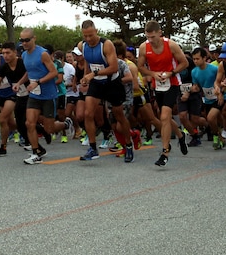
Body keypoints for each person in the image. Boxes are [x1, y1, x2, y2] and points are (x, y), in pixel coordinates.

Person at [78, 20, 134, 163]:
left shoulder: (106, 45)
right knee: (88, 114)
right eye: (85, 36)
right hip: (96, 83)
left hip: (111, 82)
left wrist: (93, 74)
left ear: (96, 31)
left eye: (91, 35)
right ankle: (92, 148)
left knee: (119, 115)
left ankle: (128, 144)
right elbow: (87, 62)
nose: (88, 39)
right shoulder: (82, 46)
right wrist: (86, 76)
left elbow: (114, 67)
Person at [135, 20, 189, 167]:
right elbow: (140, 67)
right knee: (164, 117)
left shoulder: (171, 45)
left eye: (153, 37)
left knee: (165, 116)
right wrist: (153, 73)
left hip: (172, 83)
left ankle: (165, 152)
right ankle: (180, 135)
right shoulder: (144, 47)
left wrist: (171, 73)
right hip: (157, 84)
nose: (150, 40)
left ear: (160, 33)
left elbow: (185, 63)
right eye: (148, 37)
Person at [18, 28, 72, 164]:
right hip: (34, 96)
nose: (24, 43)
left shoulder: (43, 54)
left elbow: (53, 72)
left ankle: (66, 124)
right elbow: (29, 72)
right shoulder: (24, 55)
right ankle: (37, 152)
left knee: (49, 128)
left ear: (34, 39)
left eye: (27, 40)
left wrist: (38, 82)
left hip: (48, 95)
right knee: (29, 123)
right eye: (21, 40)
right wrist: (19, 83)